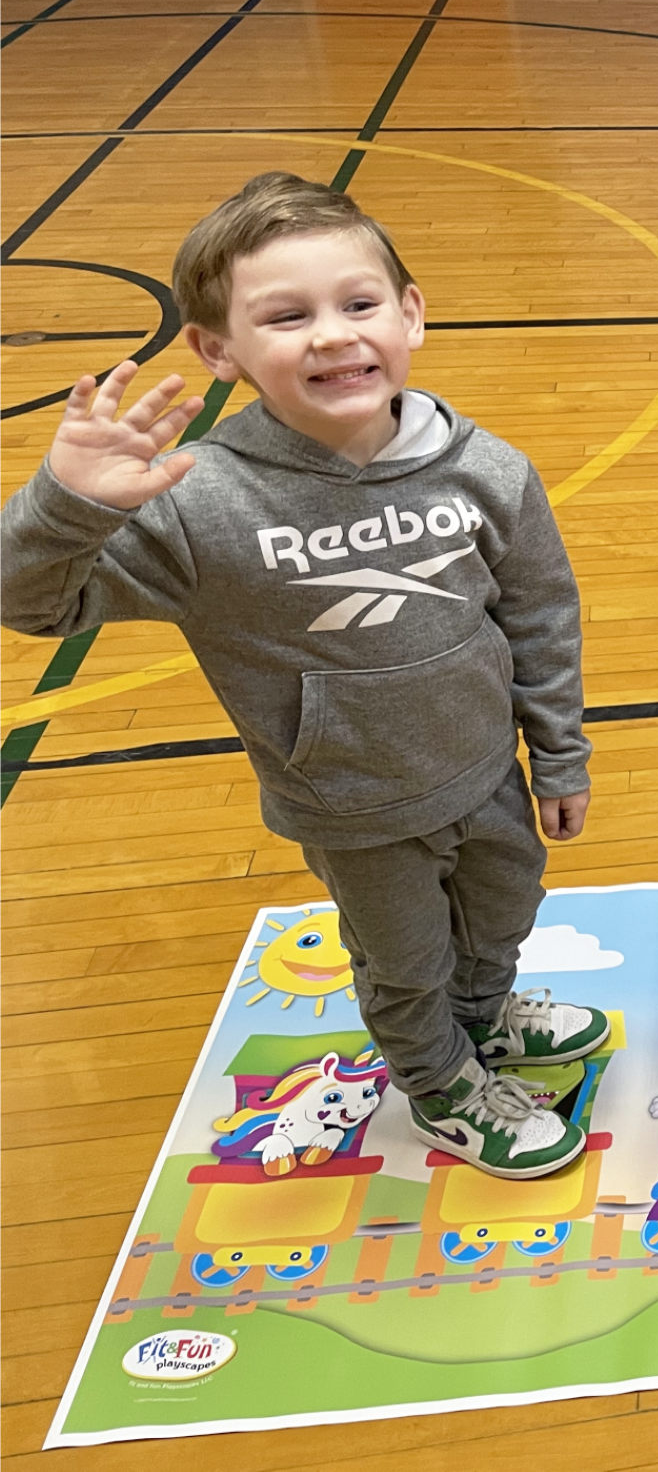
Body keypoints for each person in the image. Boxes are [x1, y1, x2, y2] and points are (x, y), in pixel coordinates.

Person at [0, 173, 610, 1181]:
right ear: (217, 350)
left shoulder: (487, 471)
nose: (331, 335)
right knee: (403, 963)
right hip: (352, 804)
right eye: (287, 317)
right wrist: (68, 503)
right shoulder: (200, 503)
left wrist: (558, 753)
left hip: (487, 770)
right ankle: (440, 1081)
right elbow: (33, 604)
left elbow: (542, 616)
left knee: (501, 916)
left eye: (357, 303)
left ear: (410, 314)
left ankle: (482, 1019)